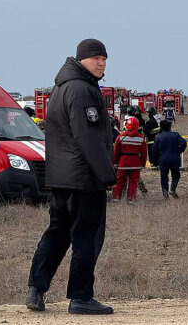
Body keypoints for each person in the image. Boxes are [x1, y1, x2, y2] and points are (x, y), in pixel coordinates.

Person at [26, 38, 116, 315]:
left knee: (57, 233)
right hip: (84, 178)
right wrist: (107, 175)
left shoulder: (62, 87)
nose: (101, 63)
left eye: (104, 59)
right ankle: (81, 297)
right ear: (82, 60)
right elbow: (86, 136)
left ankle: (36, 289)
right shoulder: (81, 90)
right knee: (86, 236)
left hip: (62, 177)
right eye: (96, 58)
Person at [112, 117, 147, 204]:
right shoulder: (141, 138)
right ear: (137, 126)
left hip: (123, 162)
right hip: (135, 163)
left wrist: (115, 163)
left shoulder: (120, 137)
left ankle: (116, 198)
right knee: (133, 182)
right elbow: (144, 154)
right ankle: (131, 199)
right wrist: (142, 164)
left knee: (119, 181)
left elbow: (116, 152)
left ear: (126, 126)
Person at [152, 120, 187, 199]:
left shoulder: (158, 137)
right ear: (170, 127)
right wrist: (179, 151)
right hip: (174, 159)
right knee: (176, 175)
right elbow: (184, 143)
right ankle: (172, 189)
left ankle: (165, 194)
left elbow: (154, 151)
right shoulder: (175, 135)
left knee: (164, 177)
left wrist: (154, 162)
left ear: (160, 127)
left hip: (163, 160)